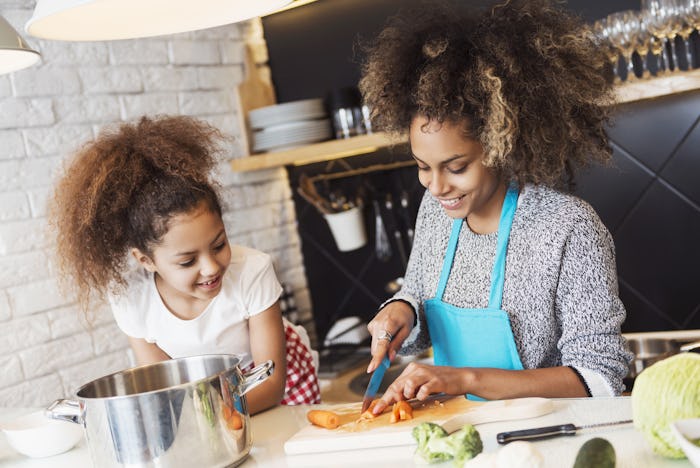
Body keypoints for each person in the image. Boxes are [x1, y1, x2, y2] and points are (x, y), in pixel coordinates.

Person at [358, 0, 633, 411]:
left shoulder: (567, 227)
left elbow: (598, 379)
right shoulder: (436, 211)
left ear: (501, 144)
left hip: (544, 437)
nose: (436, 186)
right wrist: (402, 309)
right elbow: (418, 297)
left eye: (456, 167)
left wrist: (464, 379)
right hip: (454, 431)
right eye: (422, 167)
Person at [49, 115, 320, 413]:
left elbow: (271, 386)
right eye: (188, 261)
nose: (211, 267)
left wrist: (209, 418)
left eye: (219, 245)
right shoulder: (132, 301)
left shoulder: (253, 270)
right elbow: (165, 389)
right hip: (203, 404)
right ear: (146, 260)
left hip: (268, 388)